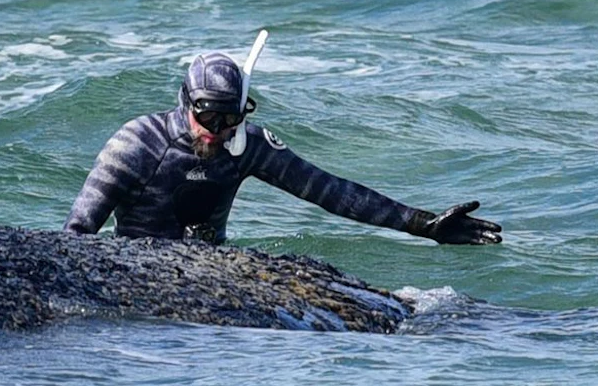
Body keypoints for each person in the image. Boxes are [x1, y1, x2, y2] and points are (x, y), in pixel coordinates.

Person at [65, 50, 501, 245]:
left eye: (231, 118)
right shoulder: (137, 143)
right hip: (138, 266)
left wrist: (423, 225)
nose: (218, 130)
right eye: (207, 117)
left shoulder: (245, 146)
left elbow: (330, 190)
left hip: (211, 268)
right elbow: (77, 234)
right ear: (185, 103)